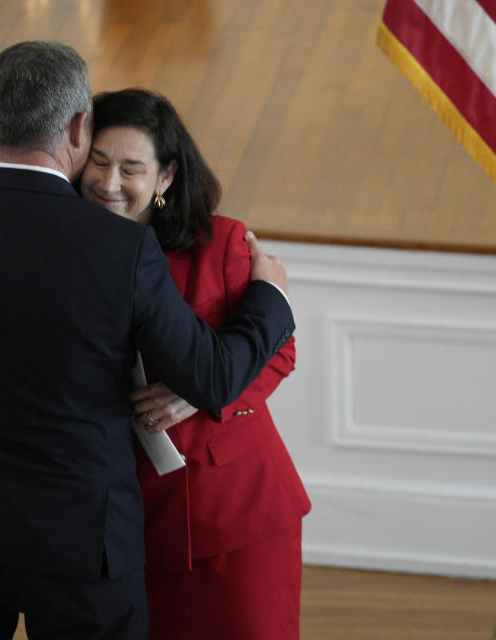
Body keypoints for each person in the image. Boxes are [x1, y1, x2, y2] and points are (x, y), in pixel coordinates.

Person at [0, 41, 294, 640]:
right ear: (79, 127)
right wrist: (273, 298)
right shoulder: (123, 249)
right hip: (83, 541)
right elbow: (210, 378)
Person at [78, 88, 311, 640]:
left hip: (235, 514)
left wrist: (197, 390)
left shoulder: (222, 243)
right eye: (100, 162)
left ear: (165, 178)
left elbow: (280, 350)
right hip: (123, 520)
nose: (110, 183)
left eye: (131, 168)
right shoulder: (65, 247)